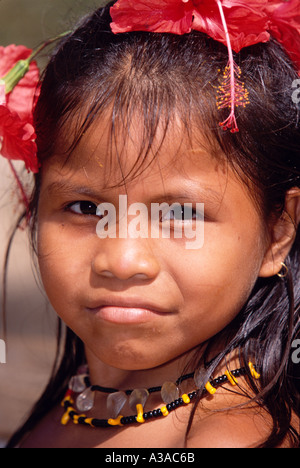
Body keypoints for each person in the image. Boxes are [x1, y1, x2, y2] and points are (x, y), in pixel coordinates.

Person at [4, 0, 300, 448]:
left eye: (179, 214)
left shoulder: (227, 439)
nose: (122, 261)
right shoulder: (71, 414)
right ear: (36, 206)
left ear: (277, 233)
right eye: (86, 208)